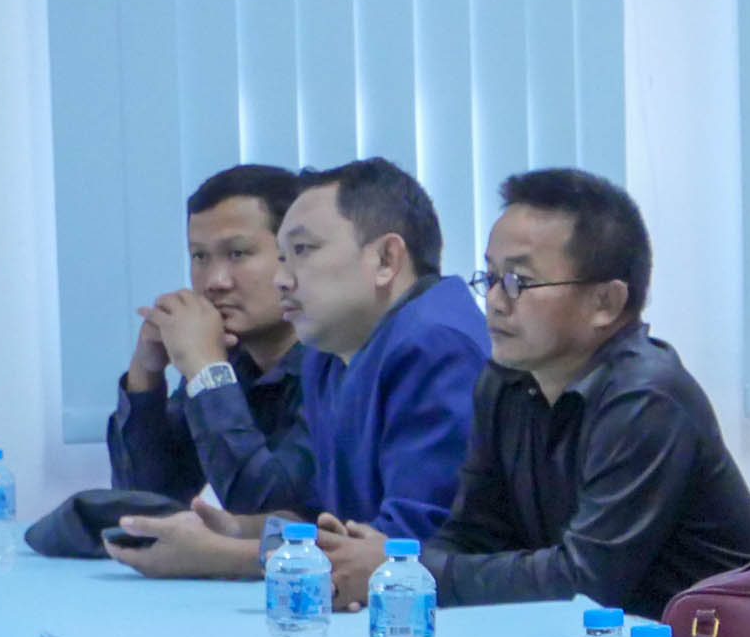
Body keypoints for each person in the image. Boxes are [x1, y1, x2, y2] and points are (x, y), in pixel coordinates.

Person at [341, 168, 750, 616]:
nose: (495, 301)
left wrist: (416, 575)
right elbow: (473, 534)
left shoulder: (647, 400)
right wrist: (394, 581)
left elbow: (585, 581)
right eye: (490, 277)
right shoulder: (506, 382)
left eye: (518, 282)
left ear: (606, 303)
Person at [109, 157, 487, 586]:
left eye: (302, 251)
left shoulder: (435, 344)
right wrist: (242, 529)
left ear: (386, 258)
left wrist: (219, 555)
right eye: (281, 258)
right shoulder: (335, 353)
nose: (282, 280)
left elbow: (406, 551)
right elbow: (324, 516)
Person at [105, 164, 314, 513]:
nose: (215, 281)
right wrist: (145, 373)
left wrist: (207, 371)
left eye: (238, 253)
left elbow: (273, 513)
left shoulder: (336, 365)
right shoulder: (231, 358)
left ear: (294, 255)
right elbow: (146, 504)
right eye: (200, 256)